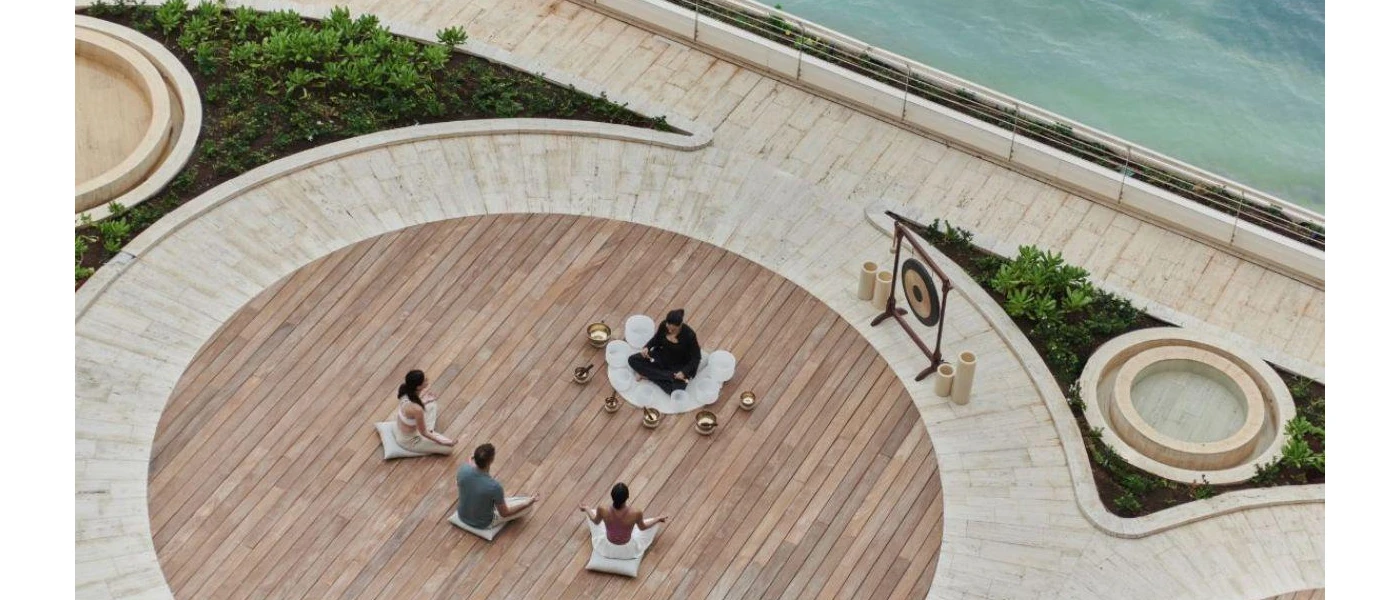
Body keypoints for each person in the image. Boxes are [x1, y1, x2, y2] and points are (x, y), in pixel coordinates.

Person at [456, 443, 538, 530]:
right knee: (527, 505)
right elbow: (504, 513)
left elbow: (463, 476)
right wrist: (528, 502)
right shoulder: (494, 487)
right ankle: (527, 502)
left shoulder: (463, 469)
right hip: (482, 523)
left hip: (462, 515)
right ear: (491, 460)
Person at [578, 483, 668, 559]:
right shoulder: (636, 513)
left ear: (612, 496)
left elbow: (595, 522)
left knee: (593, 512)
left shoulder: (602, 509)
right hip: (627, 549)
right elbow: (643, 527)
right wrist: (657, 519)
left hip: (608, 546)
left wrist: (586, 509)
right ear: (627, 497)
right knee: (650, 522)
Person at [627, 309, 701, 395]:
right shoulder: (663, 325)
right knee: (632, 360)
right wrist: (647, 347)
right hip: (662, 356)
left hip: (679, 365)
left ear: (680, 325)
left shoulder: (689, 335)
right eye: (668, 327)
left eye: (673, 330)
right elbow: (656, 338)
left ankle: (649, 375)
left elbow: (697, 357)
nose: (669, 331)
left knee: (676, 392)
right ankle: (667, 376)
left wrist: (683, 372)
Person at [392, 370, 455, 455]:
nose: (427, 379)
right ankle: (431, 434)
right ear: (418, 387)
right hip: (409, 440)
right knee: (449, 449)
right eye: (425, 380)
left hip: (403, 428)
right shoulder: (417, 410)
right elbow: (423, 432)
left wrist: (424, 401)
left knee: (431, 404)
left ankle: (431, 432)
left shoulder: (404, 388)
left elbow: (410, 405)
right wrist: (442, 441)